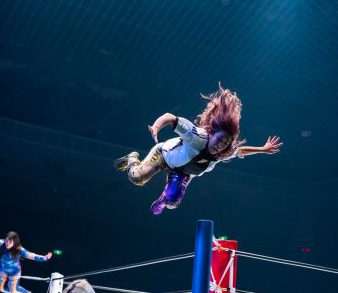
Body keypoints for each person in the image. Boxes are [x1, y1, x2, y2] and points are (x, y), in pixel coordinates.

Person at [114, 84, 282, 214]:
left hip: (182, 173)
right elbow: (170, 117)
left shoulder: (223, 153)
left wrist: (262, 149)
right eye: (219, 140)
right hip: (164, 156)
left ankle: (165, 198)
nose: (220, 145)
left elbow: (240, 151)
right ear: (212, 133)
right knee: (138, 178)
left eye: (225, 144)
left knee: (173, 203)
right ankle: (132, 159)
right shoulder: (196, 136)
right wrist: (156, 127)